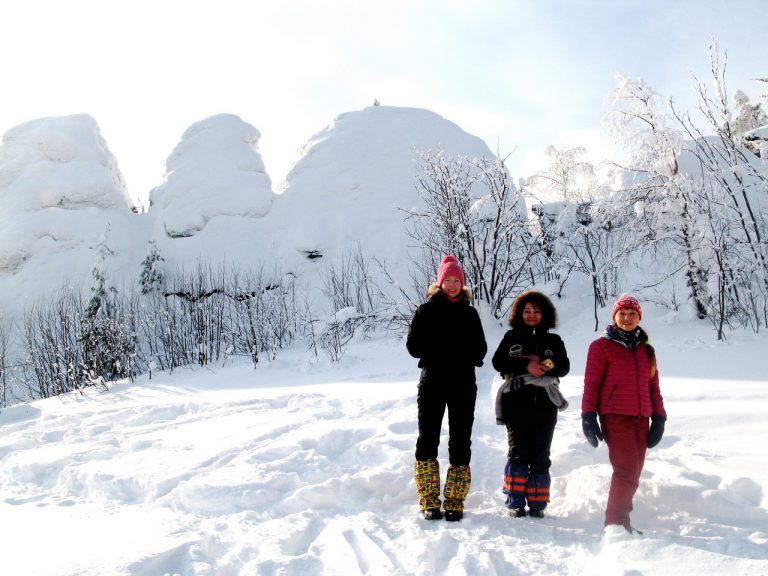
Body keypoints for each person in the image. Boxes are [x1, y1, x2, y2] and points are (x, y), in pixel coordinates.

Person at [406, 255, 487, 521]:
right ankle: (429, 499)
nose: (452, 285)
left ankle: (454, 500)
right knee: (427, 439)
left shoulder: (470, 313)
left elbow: (481, 350)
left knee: (460, 440)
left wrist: (463, 353)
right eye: (447, 280)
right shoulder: (425, 311)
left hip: (463, 383)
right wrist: (439, 345)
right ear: (439, 283)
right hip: (432, 382)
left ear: (462, 284)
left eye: (456, 281)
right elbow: (413, 347)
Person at [581, 293, 667, 533]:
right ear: (614, 316)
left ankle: (620, 522)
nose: (627, 318)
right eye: (622, 313)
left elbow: (653, 387)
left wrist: (659, 417)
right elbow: (592, 385)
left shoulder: (646, 349)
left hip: (642, 419)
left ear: (639, 317)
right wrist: (588, 416)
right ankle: (616, 525)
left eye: (632, 314)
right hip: (615, 417)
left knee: (634, 472)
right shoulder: (601, 347)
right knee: (626, 471)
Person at [492, 290, 570, 518]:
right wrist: (526, 368)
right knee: (518, 452)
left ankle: (537, 503)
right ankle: (515, 502)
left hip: (545, 404)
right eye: (527, 311)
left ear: (545, 314)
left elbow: (564, 367)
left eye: (536, 311)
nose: (532, 315)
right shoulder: (511, 338)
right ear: (519, 314)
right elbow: (498, 362)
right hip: (516, 403)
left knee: (541, 453)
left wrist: (548, 367)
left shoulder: (553, 340)